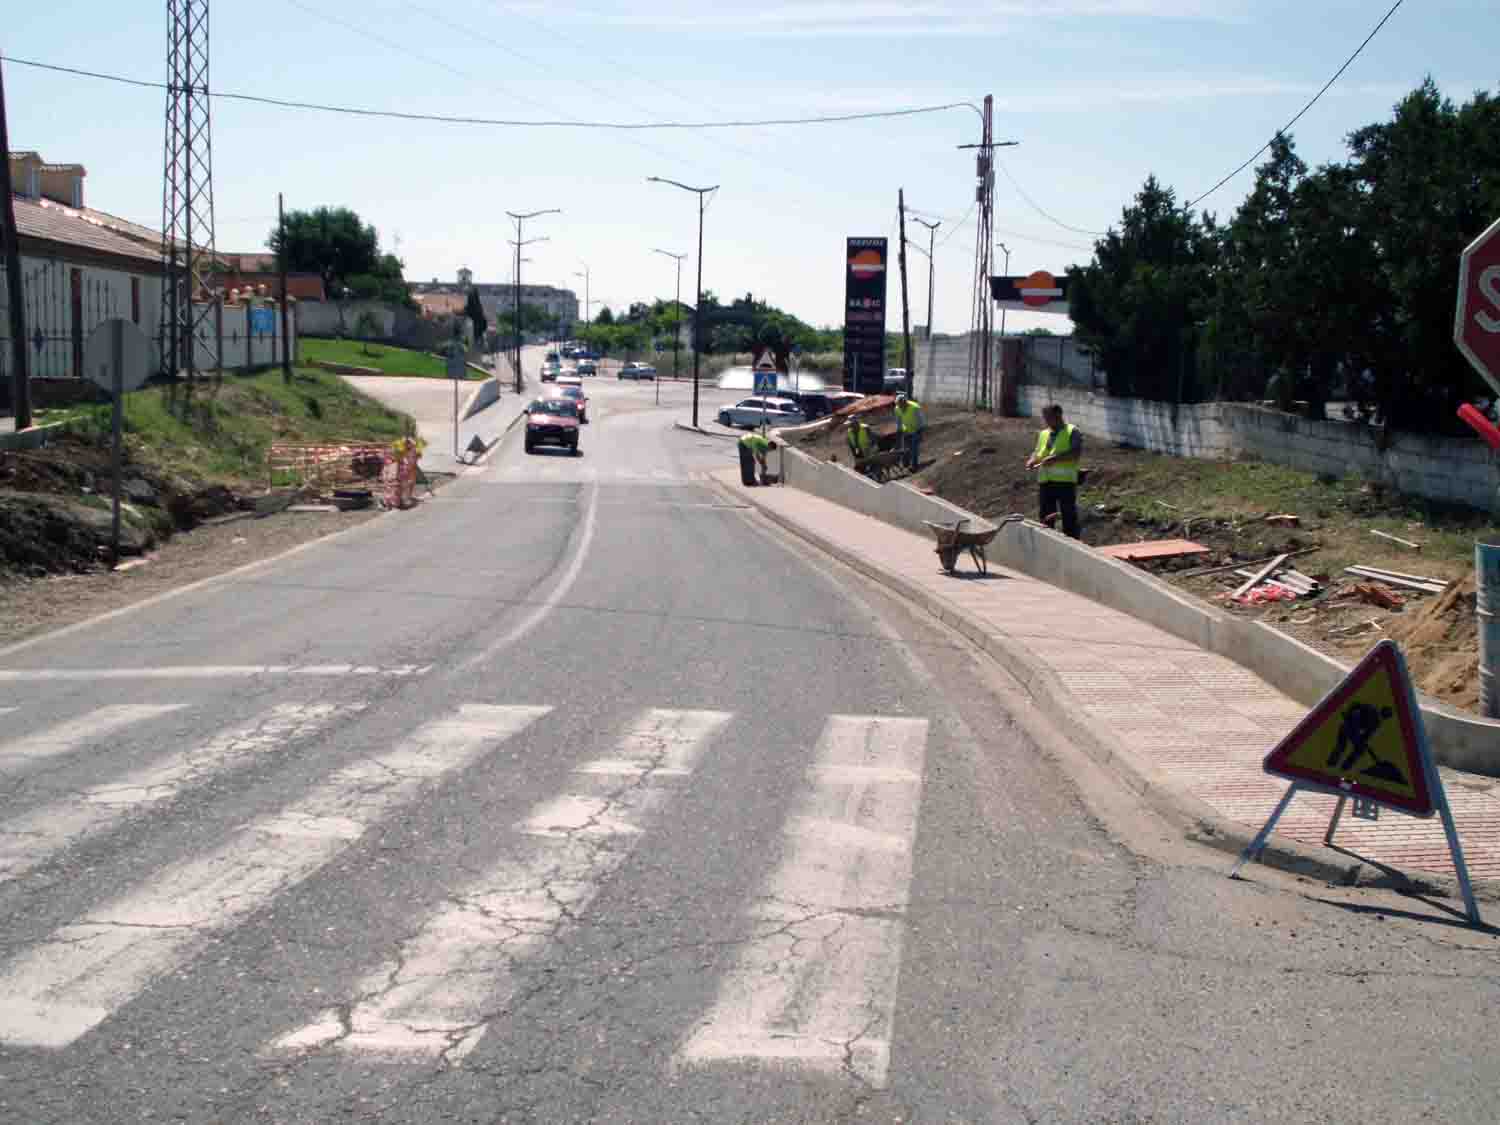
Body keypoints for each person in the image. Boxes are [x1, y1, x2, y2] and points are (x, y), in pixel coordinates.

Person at [1025, 403, 1083, 538]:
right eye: (1045, 417)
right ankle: (1047, 541)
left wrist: (1055, 459)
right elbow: (1037, 452)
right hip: (1046, 482)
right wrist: (1032, 460)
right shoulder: (1044, 434)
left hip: (1065, 483)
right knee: (1045, 516)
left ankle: (1072, 542)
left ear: (1059, 415)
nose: (1046, 420)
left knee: (1068, 516)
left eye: (1049, 417)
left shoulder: (1072, 431)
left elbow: (1075, 453)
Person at [893, 392, 924, 471]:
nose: (900, 407)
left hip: (916, 430)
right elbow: (898, 420)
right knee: (905, 448)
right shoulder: (897, 409)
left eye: (901, 405)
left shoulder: (915, 407)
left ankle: (914, 466)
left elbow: (922, 420)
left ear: (905, 402)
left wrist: (920, 431)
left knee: (914, 448)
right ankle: (906, 464)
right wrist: (899, 430)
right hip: (906, 430)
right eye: (899, 405)